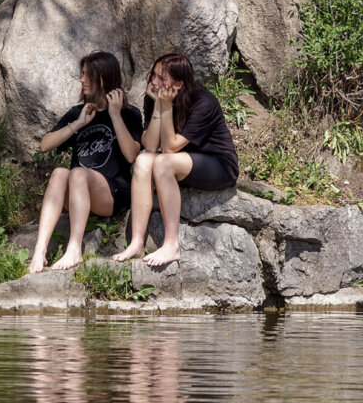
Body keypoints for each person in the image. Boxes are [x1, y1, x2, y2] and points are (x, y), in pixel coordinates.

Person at [113, 53, 238, 267]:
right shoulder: (156, 96)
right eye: (154, 74)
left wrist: (166, 106)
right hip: (182, 162)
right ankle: (136, 242)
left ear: (178, 84)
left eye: (161, 78)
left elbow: (170, 147)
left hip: (218, 164)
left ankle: (172, 244)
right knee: (143, 161)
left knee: (163, 162)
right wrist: (159, 107)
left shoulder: (203, 101)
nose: (154, 81)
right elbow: (150, 145)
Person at [28, 51, 143, 273]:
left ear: (103, 78)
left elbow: (131, 155)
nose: (82, 80)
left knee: (78, 173)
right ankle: (39, 253)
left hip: (111, 194)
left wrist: (115, 115)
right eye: (81, 74)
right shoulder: (79, 112)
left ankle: (74, 249)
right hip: (77, 193)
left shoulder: (129, 114)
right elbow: (45, 145)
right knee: (60, 173)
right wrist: (77, 124)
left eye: (86, 75)